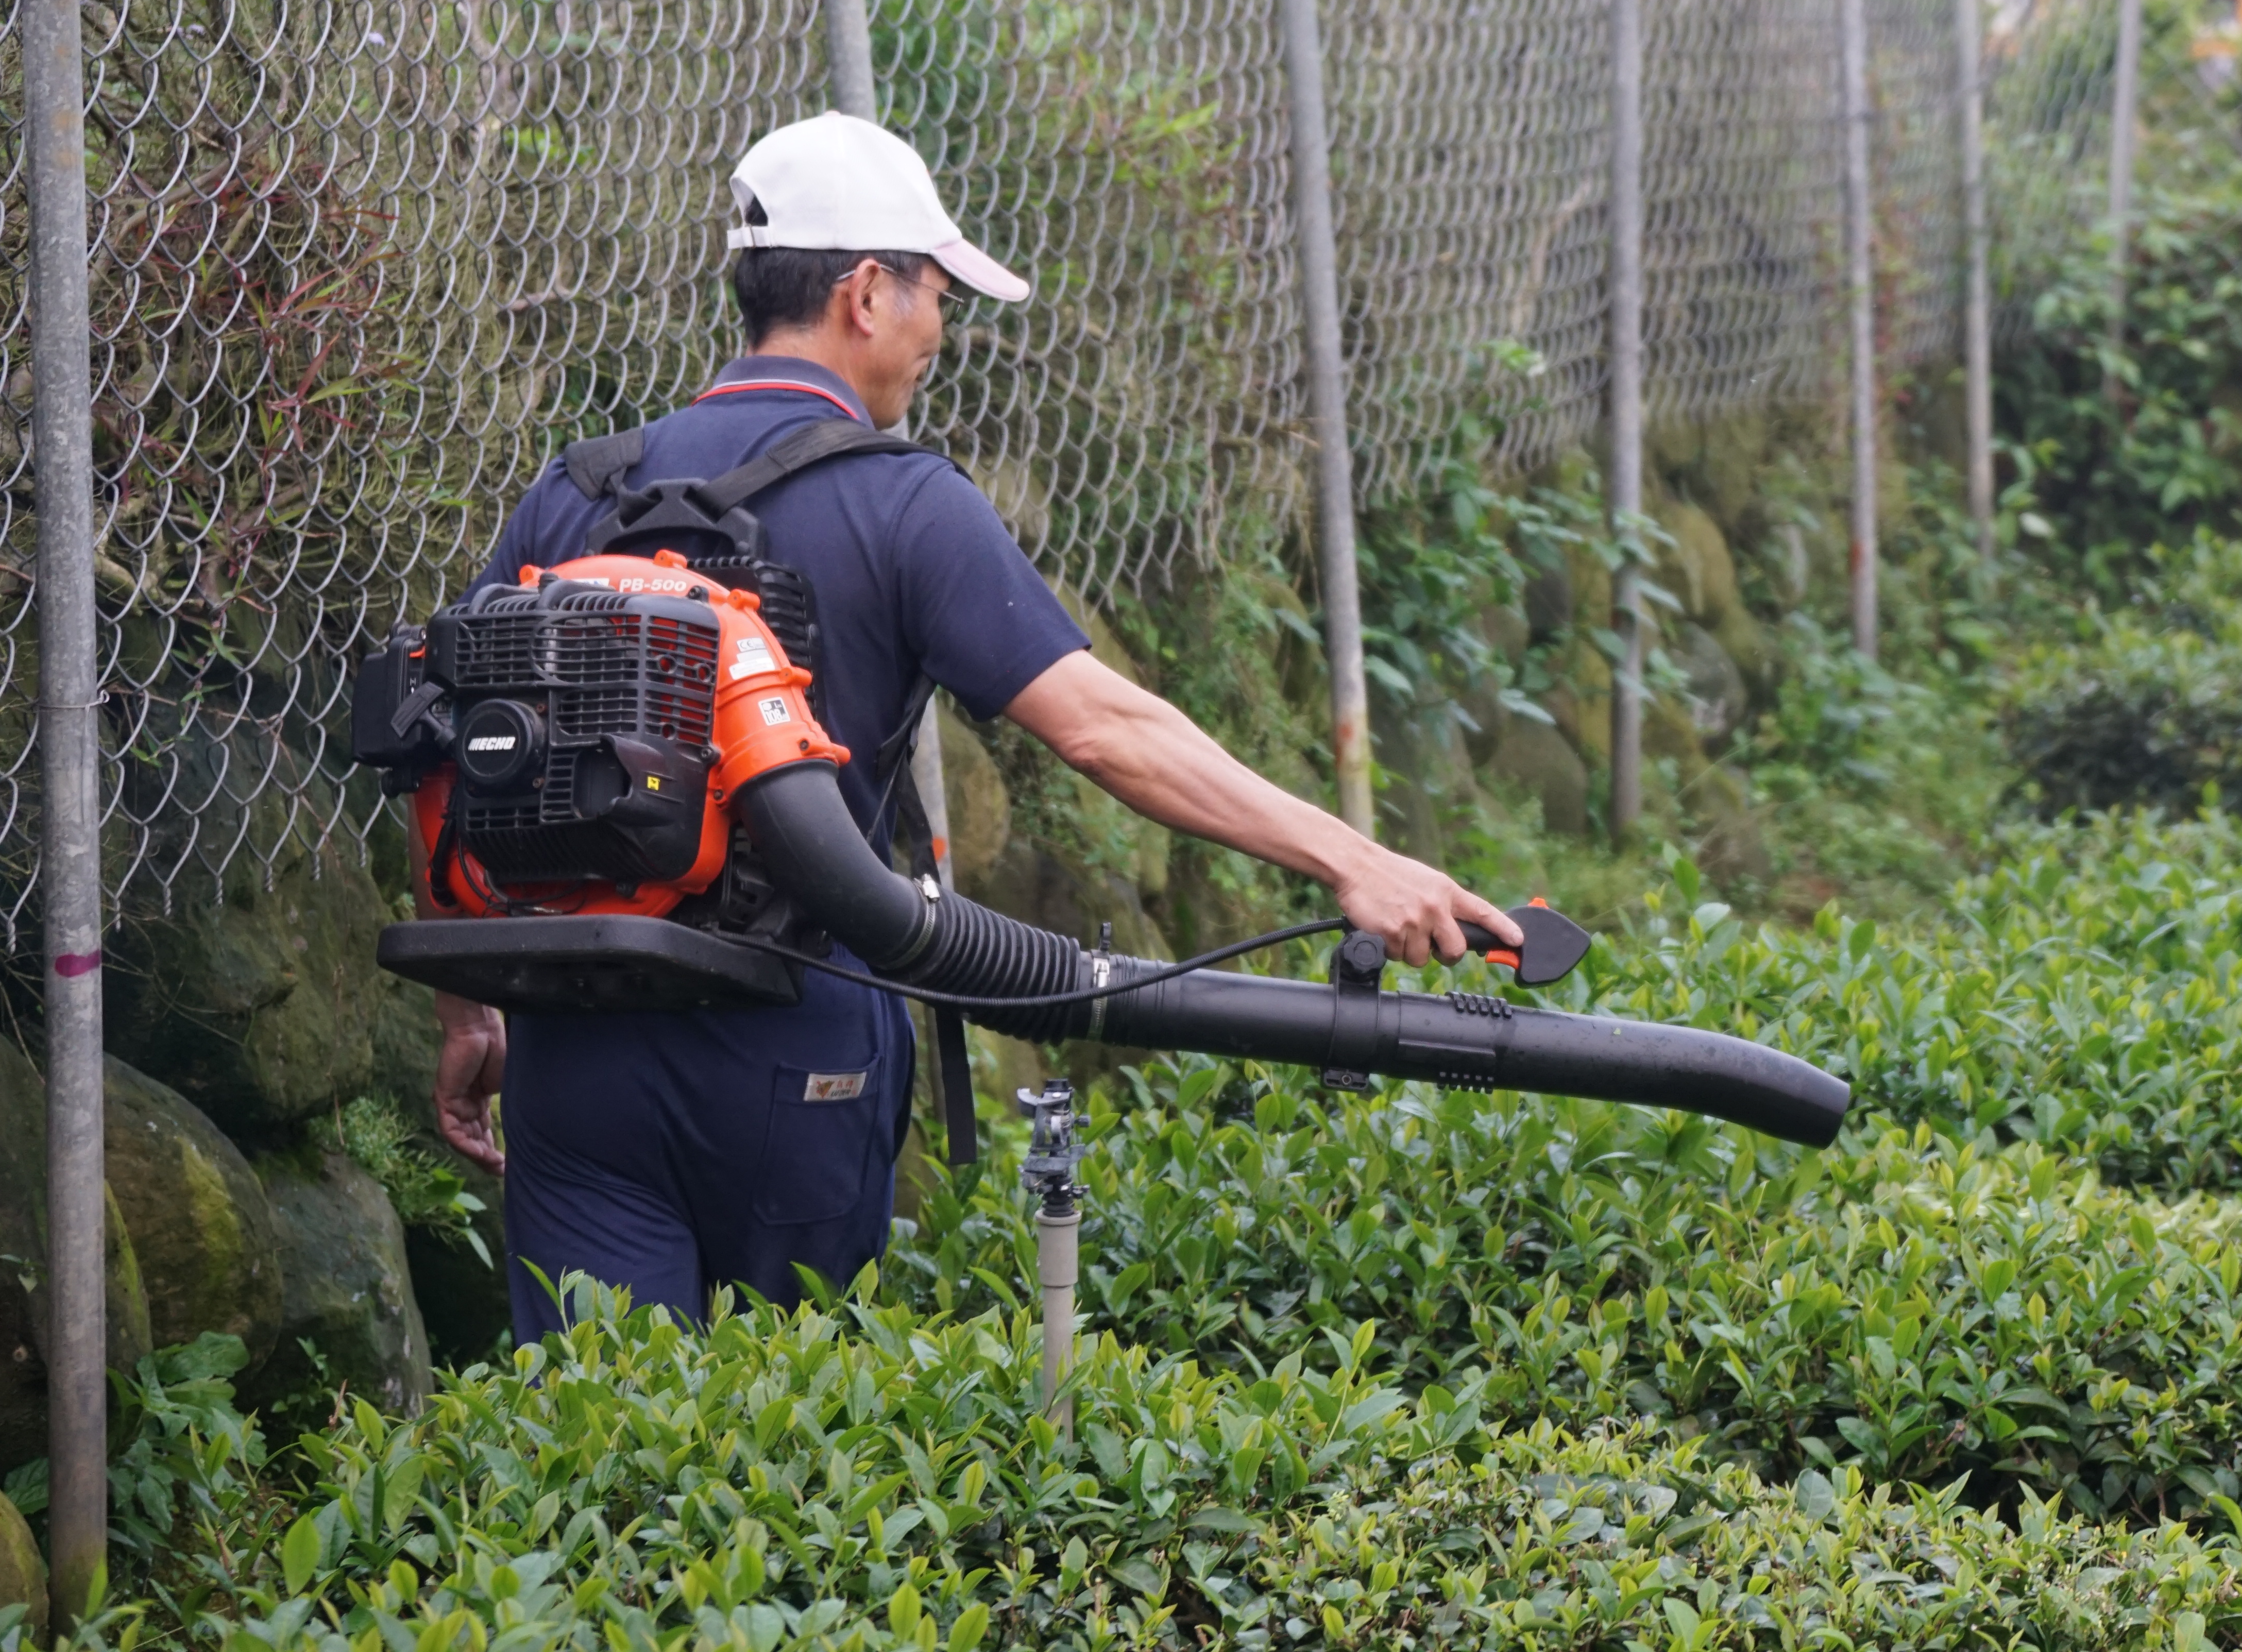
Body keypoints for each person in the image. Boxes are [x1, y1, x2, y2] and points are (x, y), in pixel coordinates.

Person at [433, 111, 1518, 1339]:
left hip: (576, 1047)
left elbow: (457, 756)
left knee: (597, 1423)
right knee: (773, 1420)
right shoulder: (903, 500)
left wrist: (473, 1006)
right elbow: (1103, 727)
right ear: (865, 294)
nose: (940, 332)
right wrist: (1352, 859)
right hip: (794, 1036)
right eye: (936, 296)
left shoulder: (576, 491)